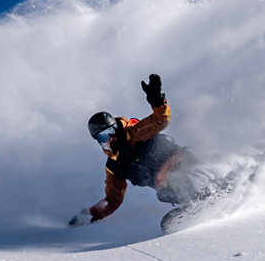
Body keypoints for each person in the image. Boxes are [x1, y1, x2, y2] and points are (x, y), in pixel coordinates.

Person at [68, 73, 191, 225]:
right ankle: (198, 200)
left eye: (111, 131)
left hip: (181, 161)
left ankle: (209, 187)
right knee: (165, 192)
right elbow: (112, 200)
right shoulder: (114, 166)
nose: (110, 137)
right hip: (170, 185)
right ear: (98, 141)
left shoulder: (133, 134)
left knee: (165, 183)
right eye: (103, 136)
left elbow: (160, 120)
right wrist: (90, 215)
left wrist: (157, 101)